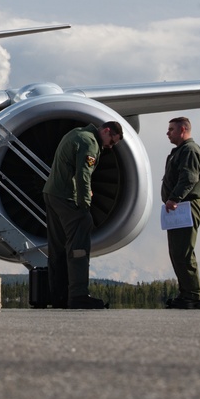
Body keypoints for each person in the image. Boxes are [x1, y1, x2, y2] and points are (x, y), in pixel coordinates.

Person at [43, 121, 123, 309]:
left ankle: (58, 296)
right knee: (79, 247)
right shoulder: (90, 142)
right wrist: (85, 204)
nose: (109, 147)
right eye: (111, 142)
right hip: (66, 197)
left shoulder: (76, 133)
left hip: (52, 194)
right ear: (106, 131)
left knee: (58, 248)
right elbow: (83, 175)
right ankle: (78, 295)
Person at [161, 117, 200, 309]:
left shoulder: (190, 150)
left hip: (186, 205)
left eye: (171, 129)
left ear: (182, 130)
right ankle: (186, 293)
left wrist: (174, 198)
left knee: (184, 252)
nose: (167, 133)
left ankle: (194, 295)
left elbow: (189, 178)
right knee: (177, 252)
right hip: (179, 206)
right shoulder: (180, 151)